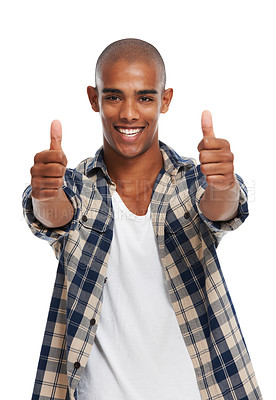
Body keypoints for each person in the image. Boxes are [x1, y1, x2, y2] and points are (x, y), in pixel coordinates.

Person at [22, 38, 262, 400]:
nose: (129, 113)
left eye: (145, 98)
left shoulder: (193, 182)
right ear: (94, 98)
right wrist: (45, 193)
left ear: (165, 100)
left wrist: (224, 184)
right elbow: (54, 216)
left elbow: (223, 210)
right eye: (114, 96)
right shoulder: (75, 186)